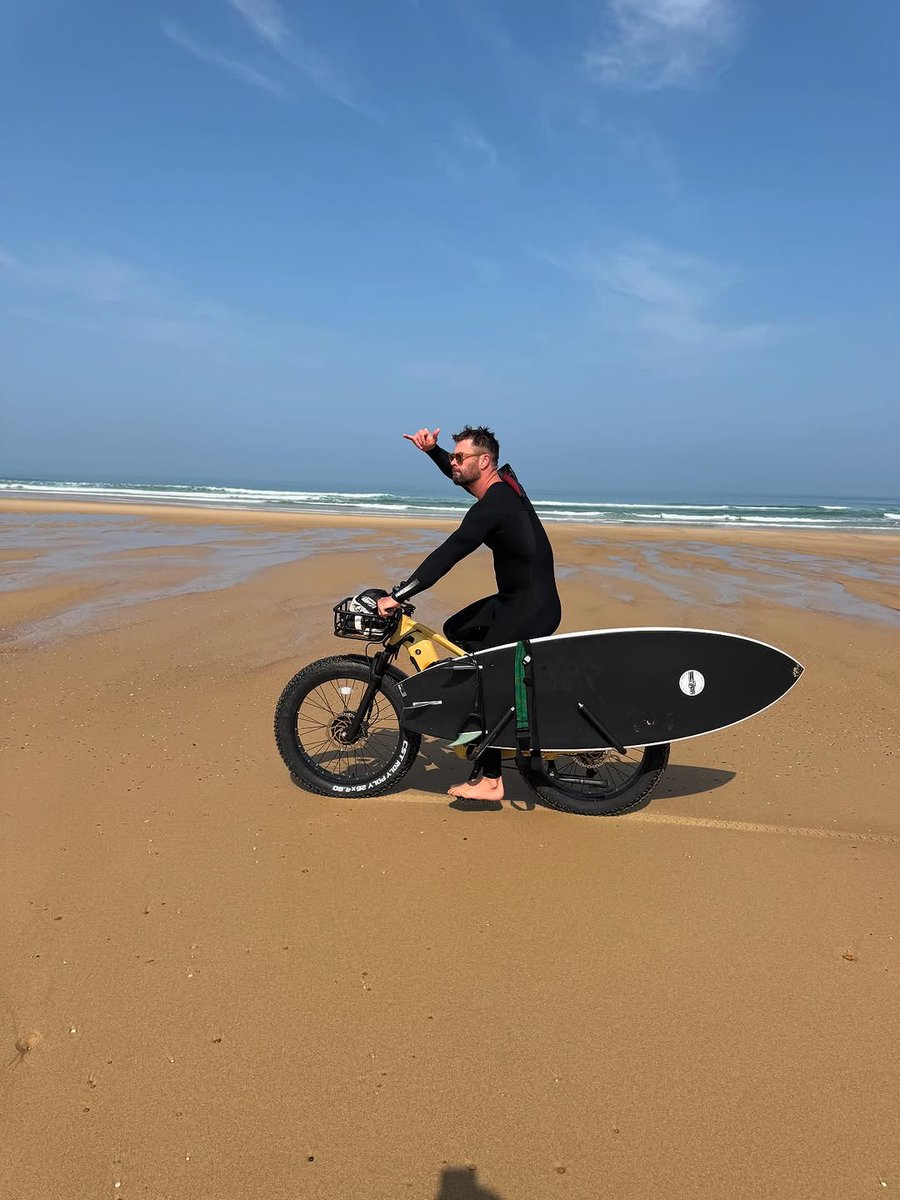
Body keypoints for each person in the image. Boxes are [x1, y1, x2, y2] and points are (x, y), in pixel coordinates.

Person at [377, 425, 561, 802]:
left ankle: (491, 779)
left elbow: (452, 550)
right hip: (517, 599)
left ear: (485, 460)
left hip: (531, 607)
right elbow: (461, 476)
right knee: (457, 629)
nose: (455, 463)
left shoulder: (495, 504)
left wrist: (399, 595)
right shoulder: (501, 484)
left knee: (485, 676)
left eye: (462, 457)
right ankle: (500, 723)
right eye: (455, 457)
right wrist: (434, 452)